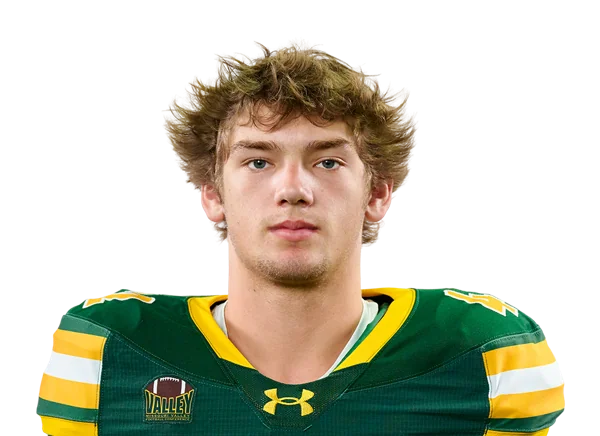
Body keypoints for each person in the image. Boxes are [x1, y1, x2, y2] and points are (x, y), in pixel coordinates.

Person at [37, 38, 565, 435]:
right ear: (212, 194)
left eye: (328, 161)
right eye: (258, 161)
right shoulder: (110, 349)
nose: (293, 189)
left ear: (378, 193)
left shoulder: (482, 351)